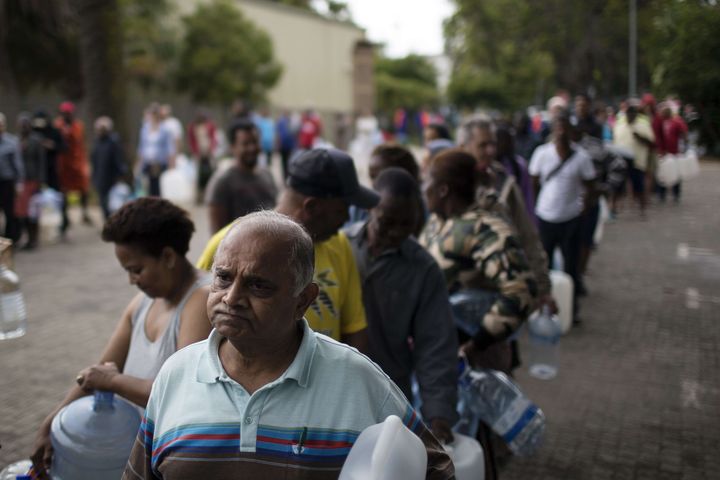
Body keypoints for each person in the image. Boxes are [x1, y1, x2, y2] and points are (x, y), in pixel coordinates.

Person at [122, 211, 454, 479]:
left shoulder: (357, 380)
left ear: (303, 301)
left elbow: (435, 469)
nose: (232, 298)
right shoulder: (176, 375)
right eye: (223, 277)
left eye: (258, 285)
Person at [30, 197, 212, 479]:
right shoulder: (142, 303)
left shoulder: (200, 300)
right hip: (133, 457)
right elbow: (100, 370)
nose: (132, 281)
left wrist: (113, 382)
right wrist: (51, 423)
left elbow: (180, 392)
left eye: (136, 270)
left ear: (167, 257)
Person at [197, 148, 377, 352]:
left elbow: (354, 327)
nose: (347, 218)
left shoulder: (339, 244)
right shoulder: (226, 245)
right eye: (342, 208)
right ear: (312, 207)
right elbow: (198, 325)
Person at [345, 168, 458, 445]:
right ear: (370, 209)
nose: (395, 232)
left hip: (388, 395)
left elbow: (436, 346)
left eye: (406, 224)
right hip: (333, 390)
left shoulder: (424, 270)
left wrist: (438, 416)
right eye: (387, 221)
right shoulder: (339, 247)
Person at [420, 148, 536, 372]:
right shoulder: (436, 222)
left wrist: (477, 343)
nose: (423, 189)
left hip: (476, 358)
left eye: (427, 182)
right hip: (437, 350)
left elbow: (520, 290)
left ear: (443, 190)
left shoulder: (485, 229)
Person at [459, 118, 553, 314]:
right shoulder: (447, 184)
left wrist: (543, 288)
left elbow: (528, 236)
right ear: (463, 147)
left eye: (492, 143)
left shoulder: (505, 182)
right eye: (483, 145)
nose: (491, 151)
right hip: (459, 293)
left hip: (499, 293)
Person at [530, 114, 595, 320]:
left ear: (571, 131)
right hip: (546, 217)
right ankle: (542, 308)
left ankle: (571, 310)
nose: (561, 132)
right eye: (557, 128)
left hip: (570, 219)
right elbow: (533, 182)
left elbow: (590, 185)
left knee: (570, 267)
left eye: (565, 128)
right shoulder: (542, 153)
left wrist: (583, 208)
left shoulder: (581, 157)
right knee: (543, 267)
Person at [204, 120, 277, 234]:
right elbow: (216, 234)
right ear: (233, 147)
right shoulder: (222, 182)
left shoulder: (267, 175)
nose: (252, 148)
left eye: (255, 142)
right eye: (246, 144)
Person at [612, 102, 655, 216]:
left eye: (633, 114)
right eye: (629, 114)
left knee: (638, 186)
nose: (631, 116)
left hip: (637, 161)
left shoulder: (643, 126)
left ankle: (642, 209)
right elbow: (614, 142)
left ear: (636, 115)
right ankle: (613, 209)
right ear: (625, 114)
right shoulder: (619, 125)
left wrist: (640, 137)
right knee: (617, 185)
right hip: (621, 160)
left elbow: (651, 142)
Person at [55, 101, 92, 229]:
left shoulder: (78, 126)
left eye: (68, 113)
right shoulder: (58, 126)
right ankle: (65, 217)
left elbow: (82, 144)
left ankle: (84, 212)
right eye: (64, 113)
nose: (66, 115)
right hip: (63, 164)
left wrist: (85, 162)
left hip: (77, 161)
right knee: (63, 191)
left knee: (84, 187)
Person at [16, 112, 45, 249]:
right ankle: (26, 238)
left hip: (33, 180)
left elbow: (41, 161)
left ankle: (34, 239)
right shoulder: (16, 141)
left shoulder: (36, 140)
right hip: (21, 180)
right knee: (23, 212)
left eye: (26, 125)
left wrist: (40, 180)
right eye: (21, 125)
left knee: (34, 212)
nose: (24, 127)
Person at [91, 116, 126, 221]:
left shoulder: (113, 142)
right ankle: (107, 222)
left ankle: (113, 223)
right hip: (100, 178)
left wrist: (120, 175)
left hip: (112, 178)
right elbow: (94, 160)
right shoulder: (97, 142)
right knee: (103, 203)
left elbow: (118, 160)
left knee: (113, 204)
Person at [137, 103, 175, 197]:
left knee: (158, 186)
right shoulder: (145, 129)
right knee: (148, 186)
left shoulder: (164, 129)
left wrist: (171, 162)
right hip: (147, 162)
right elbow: (142, 146)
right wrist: (139, 162)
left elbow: (169, 147)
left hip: (159, 162)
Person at [655, 102, 688, 202]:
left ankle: (676, 194)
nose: (664, 112)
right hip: (662, 152)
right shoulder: (659, 122)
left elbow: (684, 133)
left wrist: (684, 145)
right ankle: (661, 194)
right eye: (662, 111)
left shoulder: (676, 122)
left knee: (675, 174)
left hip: (674, 152)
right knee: (662, 174)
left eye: (666, 110)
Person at [0, 112, 24, 243]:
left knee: (10, 213)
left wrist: (19, 183)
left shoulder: (12, 142)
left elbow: (18, 164)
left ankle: (10, 240)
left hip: (7, 183)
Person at [186, 110, 217, 203]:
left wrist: (210, 149)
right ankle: (199, 197)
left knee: (211, 173)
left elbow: (213, 138)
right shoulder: (192, 127)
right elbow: (191, 141)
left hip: (208, 153)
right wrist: (195, 152)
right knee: (197, 175)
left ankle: (211, 195)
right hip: (198, 154)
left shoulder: (210, 126)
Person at [275, 110, 296, 178]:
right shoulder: (282, 121)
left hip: (289, 145)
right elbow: (278, 134)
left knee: (287, 162)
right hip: (284, 145)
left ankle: (287, 176)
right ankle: (285, 176)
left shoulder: (290, 121)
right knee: (285, 162)